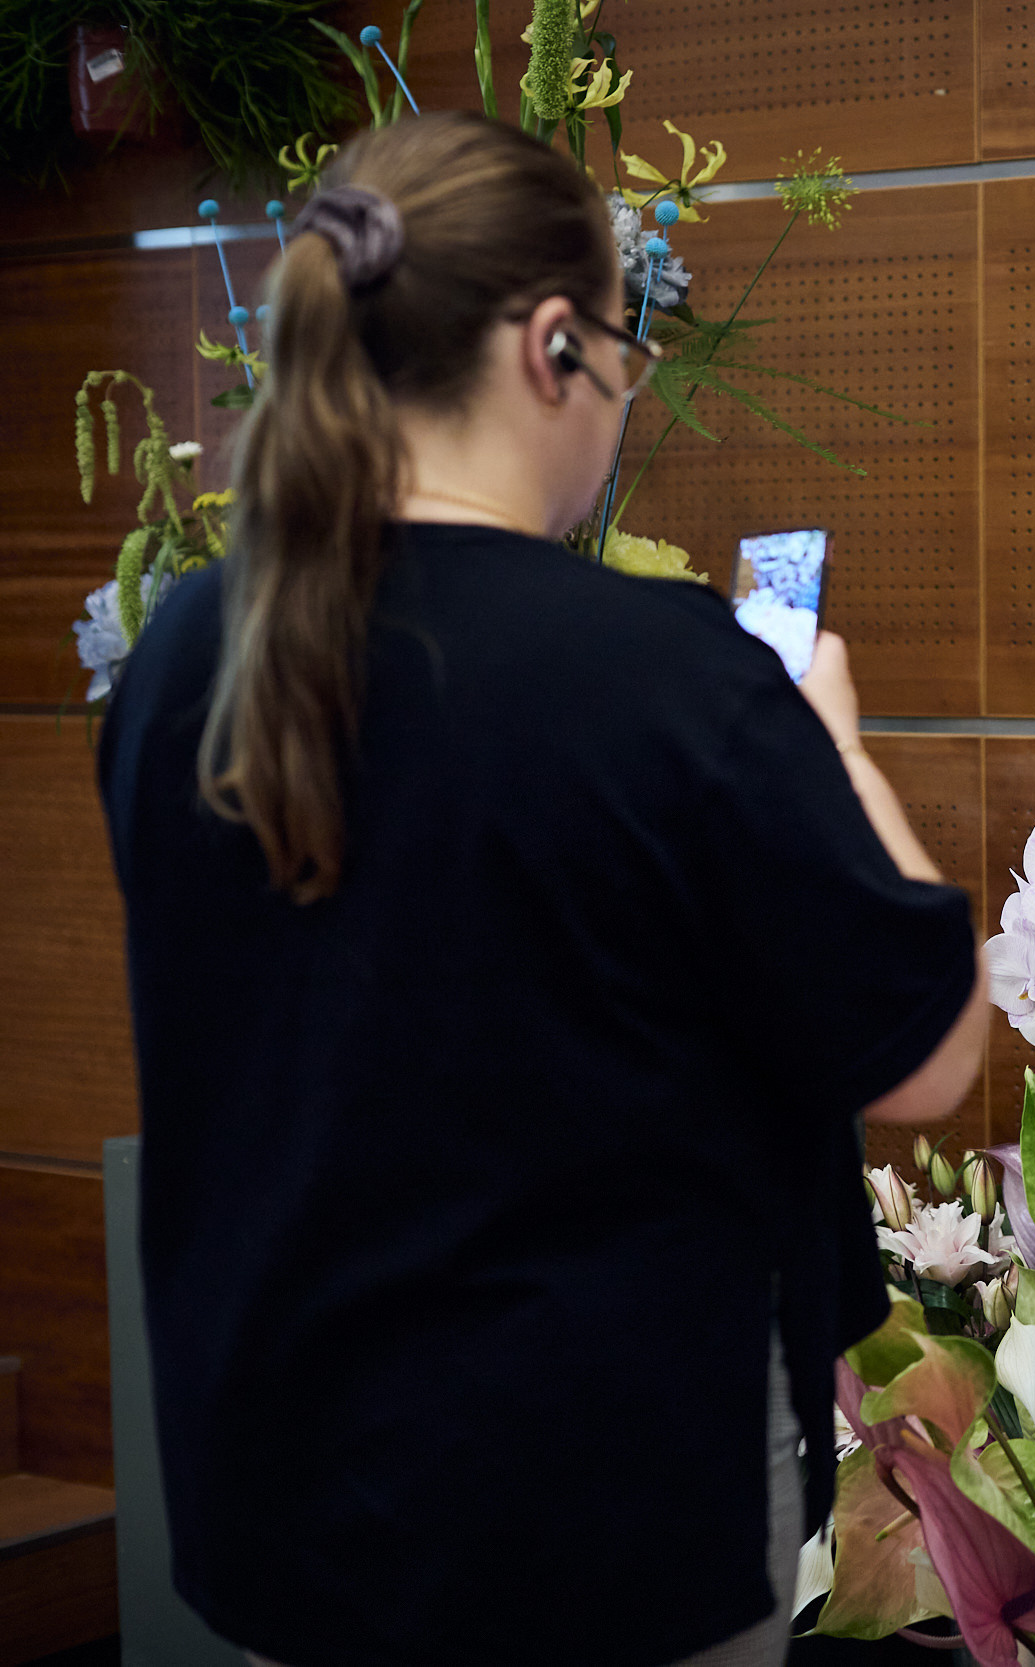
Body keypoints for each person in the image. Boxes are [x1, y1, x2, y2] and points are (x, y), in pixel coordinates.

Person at [95, 111, 986, 1667]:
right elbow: (925, 1058)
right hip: (600, 1505)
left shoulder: (187, 656)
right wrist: (835, 749)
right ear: (554, 345)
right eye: (626, 360)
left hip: (286, 1486)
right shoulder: (661, 675)